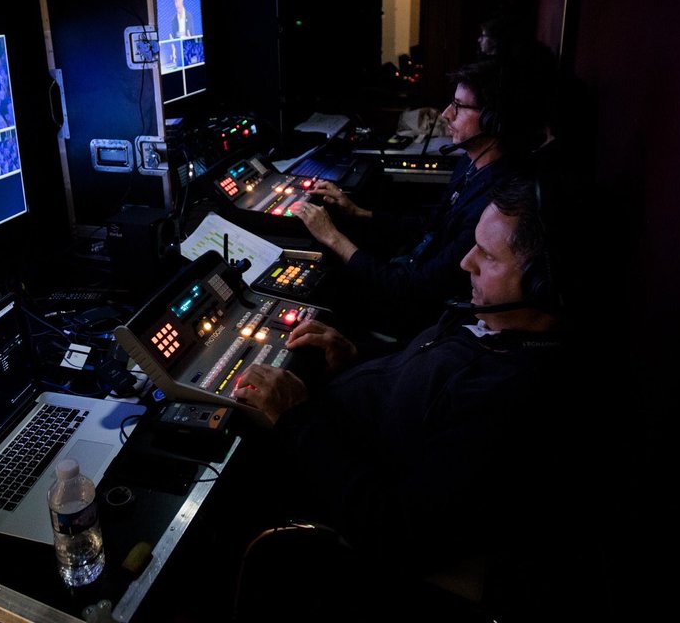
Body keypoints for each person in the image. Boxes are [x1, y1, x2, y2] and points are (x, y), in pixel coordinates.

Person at [233, 177, 571, 617]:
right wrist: (354, 355)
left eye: (487, 256)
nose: (466, 262)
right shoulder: (496, 321)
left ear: (542, 285)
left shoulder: (506, 396)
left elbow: (393, 531)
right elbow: (421, 377)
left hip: (321, 480)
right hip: (327, 426)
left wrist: (295, 418)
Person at [293, 60, 532, 339]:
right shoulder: (470, 161)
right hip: (413, 266)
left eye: (459, 106)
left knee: (324, 288)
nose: (446, 114)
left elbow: (414, 289)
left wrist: (332, 238)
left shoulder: (497, 207)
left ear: (493, 120)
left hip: (422, 306)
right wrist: (359, 212)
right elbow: (432, 223)